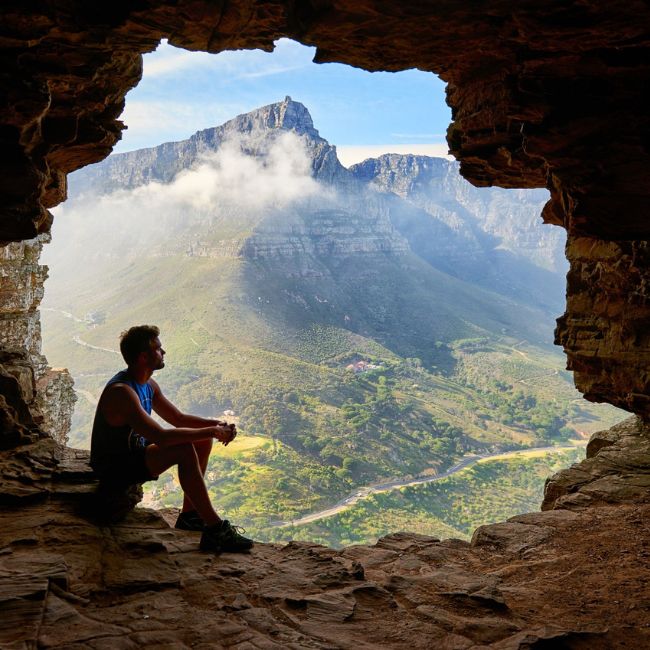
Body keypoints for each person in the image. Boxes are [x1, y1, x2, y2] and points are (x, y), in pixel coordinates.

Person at [90, 324, 253, 553]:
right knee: (184, 449)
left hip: (134, 454)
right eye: (158, 348)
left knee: (201, 441)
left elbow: (178, 418)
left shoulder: (147, 384)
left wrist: (215, 425)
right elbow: (162, 437)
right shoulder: (122, 392)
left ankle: (190, 516)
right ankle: (215, 529)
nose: (163, 352)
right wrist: (213, 432)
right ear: (143, 357)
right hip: (115, 467)